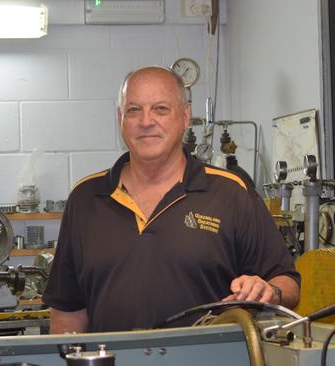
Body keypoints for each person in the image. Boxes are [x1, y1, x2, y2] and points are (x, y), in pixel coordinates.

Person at [42, 66, 300, 334]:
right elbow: (68, 313)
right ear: (120, 118)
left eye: (161, 109)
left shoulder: (230, 193)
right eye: (133, 110)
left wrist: (270, 291)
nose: (146, 121)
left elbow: (288, 283)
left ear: (185, 116)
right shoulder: (85, 199)